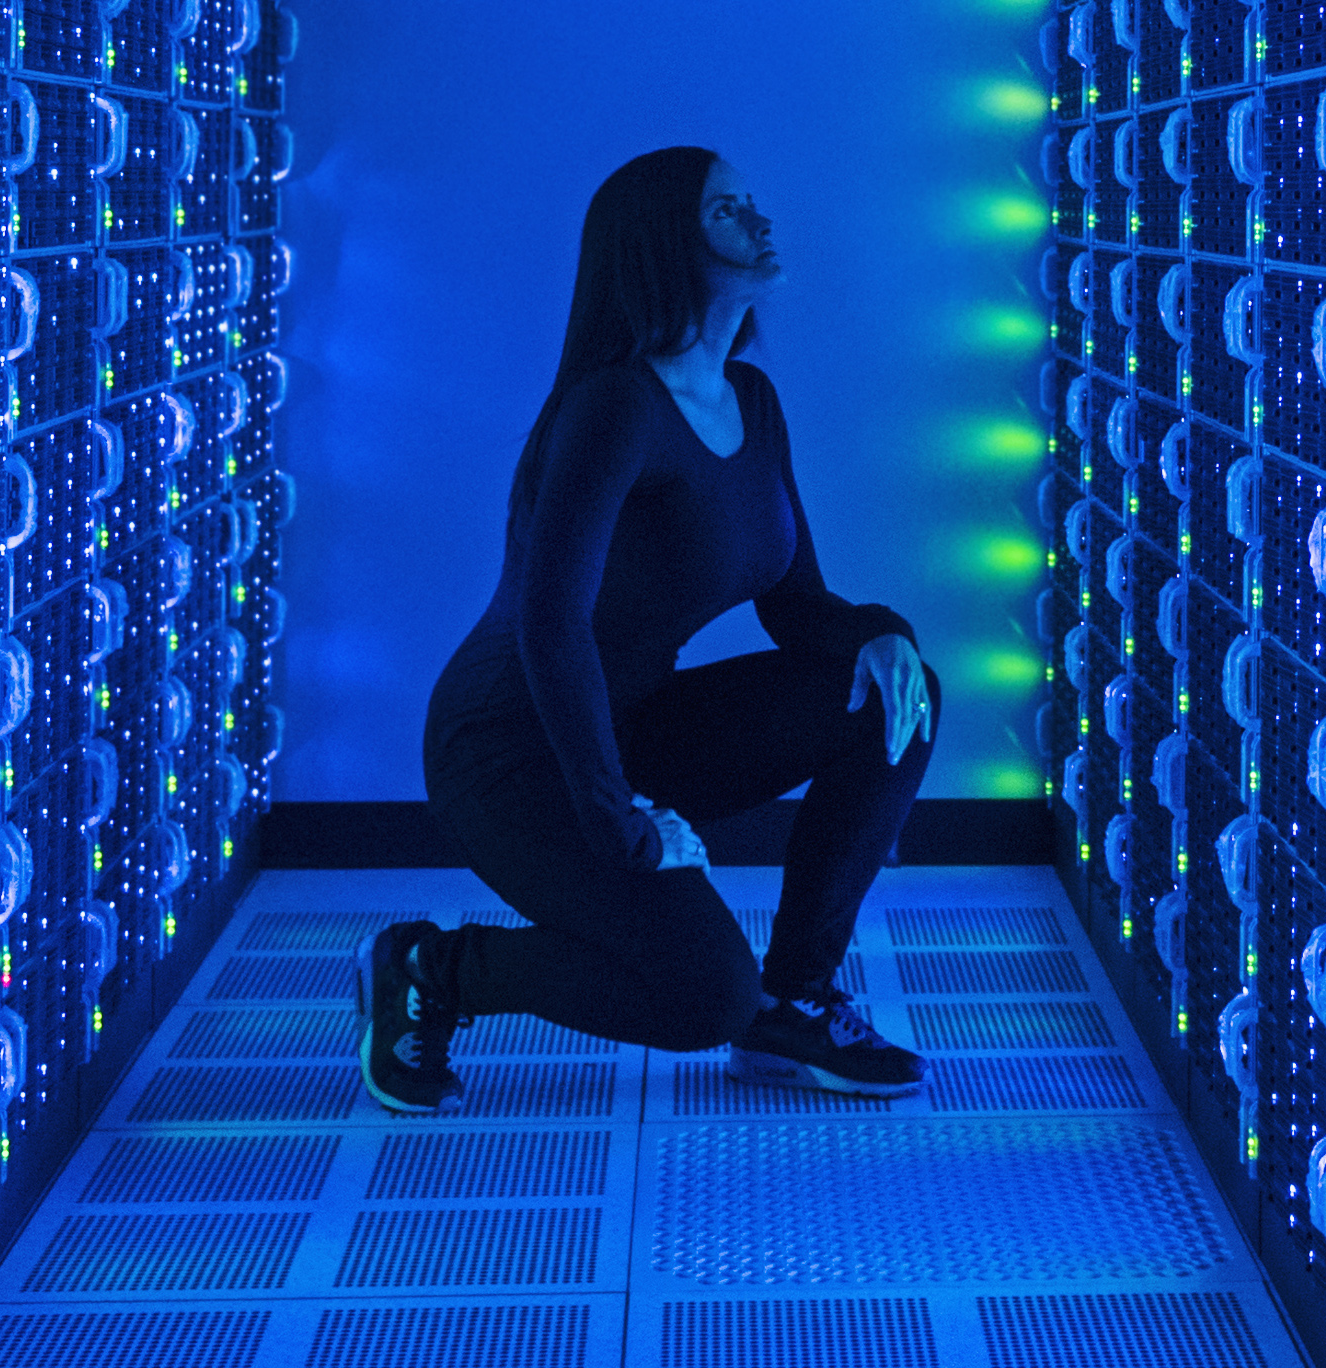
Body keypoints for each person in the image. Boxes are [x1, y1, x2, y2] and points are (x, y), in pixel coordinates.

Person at [357, 143, 940, 1111]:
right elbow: (550, 623)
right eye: (726, 210)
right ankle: (433, 968)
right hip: (513, 749)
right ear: (664, 243)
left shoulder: (750, 399)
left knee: (895, 694)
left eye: (753, 201)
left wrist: (881, 630)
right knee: (700, 992)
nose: (759, 222)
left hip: (630, 723)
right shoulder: (614, 407)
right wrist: (619, 820)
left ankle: (792, 1002)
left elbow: (794, 604)